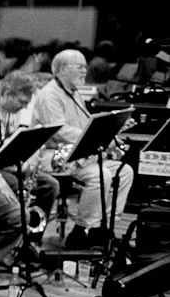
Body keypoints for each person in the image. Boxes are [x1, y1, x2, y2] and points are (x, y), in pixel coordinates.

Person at [31, 49, 134, 250]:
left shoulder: (74, 92)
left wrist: (113, 129)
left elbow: (85, 123)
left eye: (85, 67)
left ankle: (104, 227)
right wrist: (97, 138)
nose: (85, 71)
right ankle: (82, 230)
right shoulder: (49, 94)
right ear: (62, 69)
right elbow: (60, 131)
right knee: (100, 175)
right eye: (79, 67)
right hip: (54, 156)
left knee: (125, 172)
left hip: (79, 154)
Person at [0, 71, 61, 247]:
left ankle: (32, 240)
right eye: (22, 102)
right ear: (7, 94)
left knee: (50, 185)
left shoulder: (13, 113)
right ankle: (11, 235)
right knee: (20, 188)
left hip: (9, 165)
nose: (24, 108)